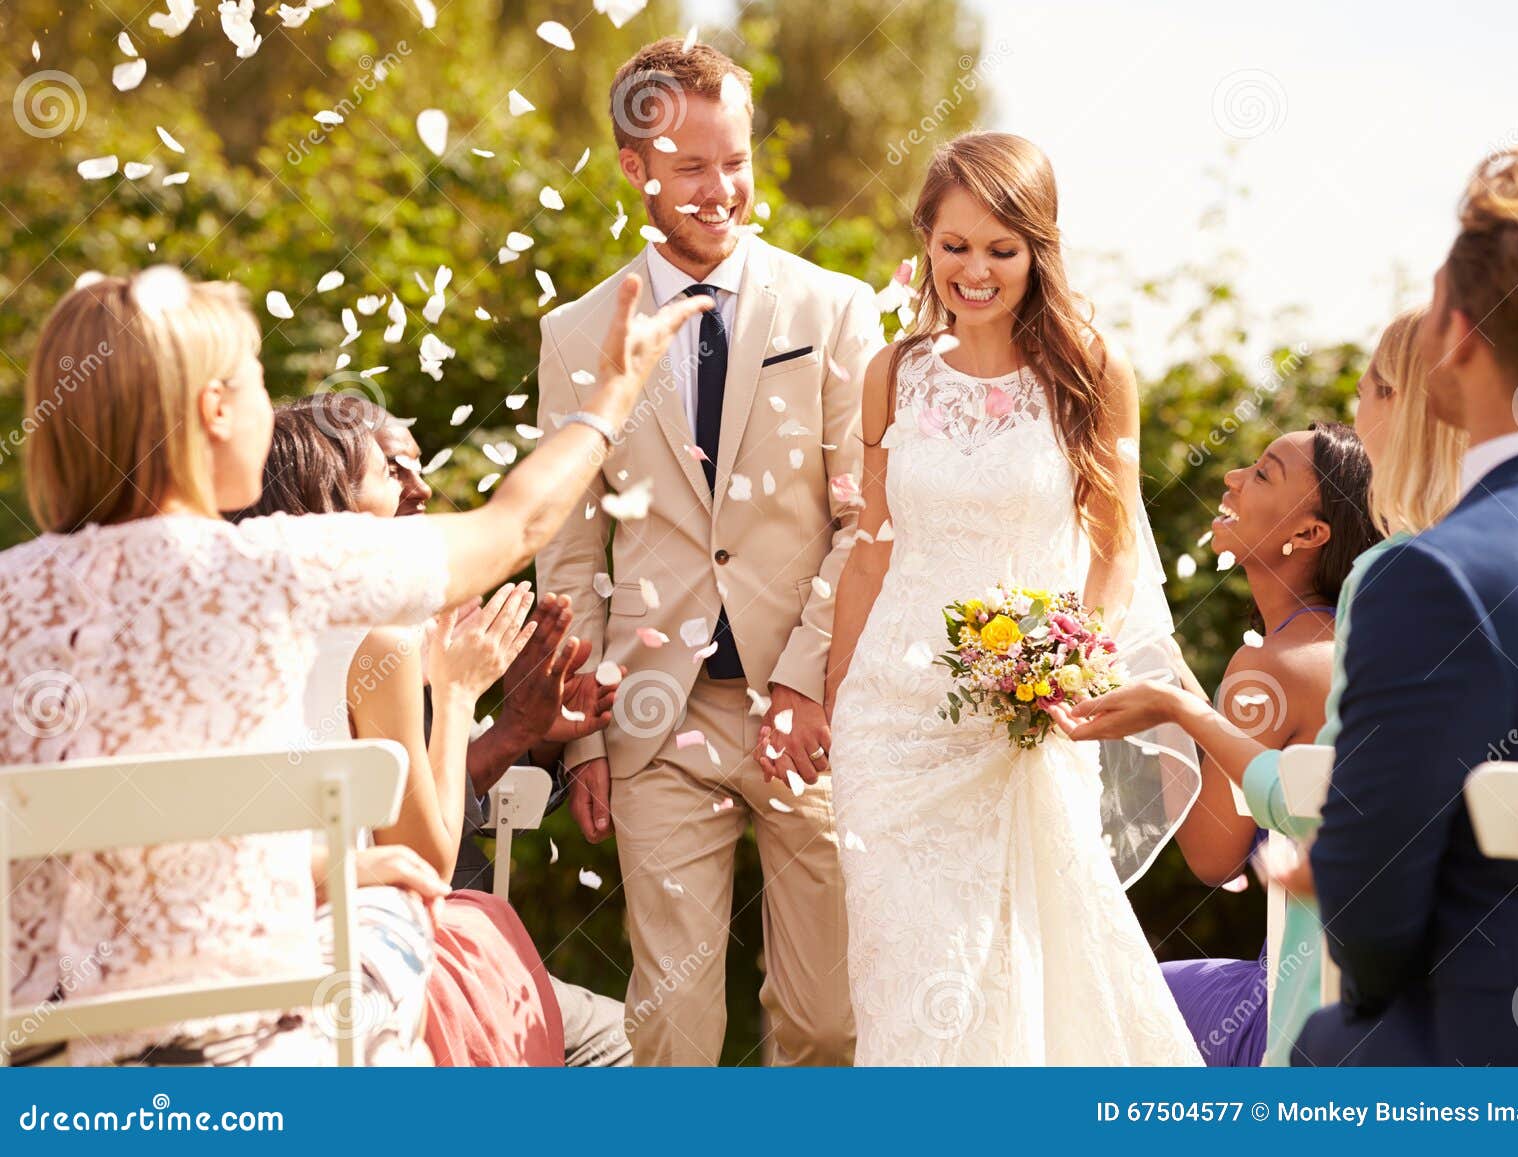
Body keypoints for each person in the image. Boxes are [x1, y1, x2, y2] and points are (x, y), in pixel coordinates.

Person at [1, 264, 708, 1064]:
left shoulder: (10, 593)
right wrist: (612, 391)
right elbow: (516, 525)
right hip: (262, 1040)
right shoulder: (278, 563)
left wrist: (323, 863)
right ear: (215, 410)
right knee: (412, 899)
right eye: (260, 384)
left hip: (45, 1052)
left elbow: (127, 862)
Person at [534, 38, 881, 1066]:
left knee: (826, 1019)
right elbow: (567, 548)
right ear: (636, 167)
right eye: (691, 166)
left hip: (805, 707)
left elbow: (865, 519)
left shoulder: (834, 309)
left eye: (735, 159)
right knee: (674, 1028)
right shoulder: (575, 332)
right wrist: (583, 736)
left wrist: (809, 683)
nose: (721, 188)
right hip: (652, 712)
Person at [825, 131, 1202, 1064]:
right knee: (907, 972)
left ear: (1039, 249)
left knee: (1034, 958)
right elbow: (872, 550)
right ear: (925, 243)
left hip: (1027, 718)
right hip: (892, 725)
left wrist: (1067, 664)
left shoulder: (1093, 374)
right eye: (954, 246)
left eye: (1002, 248)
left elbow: (1115, 549)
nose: (976, 270)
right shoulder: (893, 374)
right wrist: (837, 703)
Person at [1299, 142, 1518, 1065]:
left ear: (1458, 333)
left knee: (1324, 1046)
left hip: (1511, 1074)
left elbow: (1367, 923)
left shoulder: (1437, 577)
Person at [1065, 419, 1386, 1065]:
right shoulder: (1336, 647)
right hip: (1361, 998)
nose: (1232, 478)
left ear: (1308, 534)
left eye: (1263, 472)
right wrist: (1180, 690)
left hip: (1286, 1008)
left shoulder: (1268, 667)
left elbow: (1214, 859)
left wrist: (1173, 710)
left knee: (1091, 1006)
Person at [370, 405, 635, 1067]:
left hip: (454, 942)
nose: (421, 489)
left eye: (419, 467)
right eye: (391, 468)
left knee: (630, 1031)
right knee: (623, 1041)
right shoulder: (371, 640)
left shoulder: (419, 610)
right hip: (406, 957)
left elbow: (439, 781)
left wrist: (534, 735)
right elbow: (411, 829)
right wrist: (497, 717)